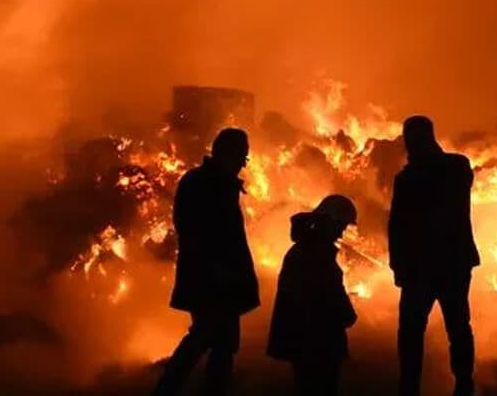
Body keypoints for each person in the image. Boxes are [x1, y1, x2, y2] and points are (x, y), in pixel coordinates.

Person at [152, 128, 260, 396]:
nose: (241, 165)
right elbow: (194, 232)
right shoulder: (203, 184)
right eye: (240, 157)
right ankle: (167, 390)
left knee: (222, 344)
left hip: (222, 279)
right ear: (225, 153)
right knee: (204, 337)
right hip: (210, 280)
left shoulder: (218, 184)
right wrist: (218, 270)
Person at [388, 115, 480, 396]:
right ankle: (463, 383)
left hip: (422, 267)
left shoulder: (410, 177)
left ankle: (411, 386)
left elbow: (398, 225)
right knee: (457, 327)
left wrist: (398, 266)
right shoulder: (457, 166)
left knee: (413, 332)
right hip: (451, 263)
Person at [267, 195, 359, 396]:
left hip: (304, 342)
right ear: (330, 220)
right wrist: (347, 314)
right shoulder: (315, 252)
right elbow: (326, 293)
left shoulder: (305, 247)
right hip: (316, 343)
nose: (342, 231)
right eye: (341, 224)